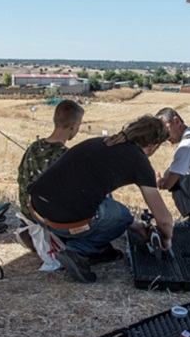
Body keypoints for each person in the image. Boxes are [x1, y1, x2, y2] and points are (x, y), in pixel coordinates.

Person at [28, 115, 173, 283]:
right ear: (153, 146)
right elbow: (164, 221)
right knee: (123, 216)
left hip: (36, 209)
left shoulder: (101, 142)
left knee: (107, 199)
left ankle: (96, 248)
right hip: (60, 220)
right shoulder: (139, 161)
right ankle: (78, 251)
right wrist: (167, 238)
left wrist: (138, 227)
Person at [16, 99, 84, 223]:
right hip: (48, 218)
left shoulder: (33, 147)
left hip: (27, 213)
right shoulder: (66, 156)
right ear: (73, 125)